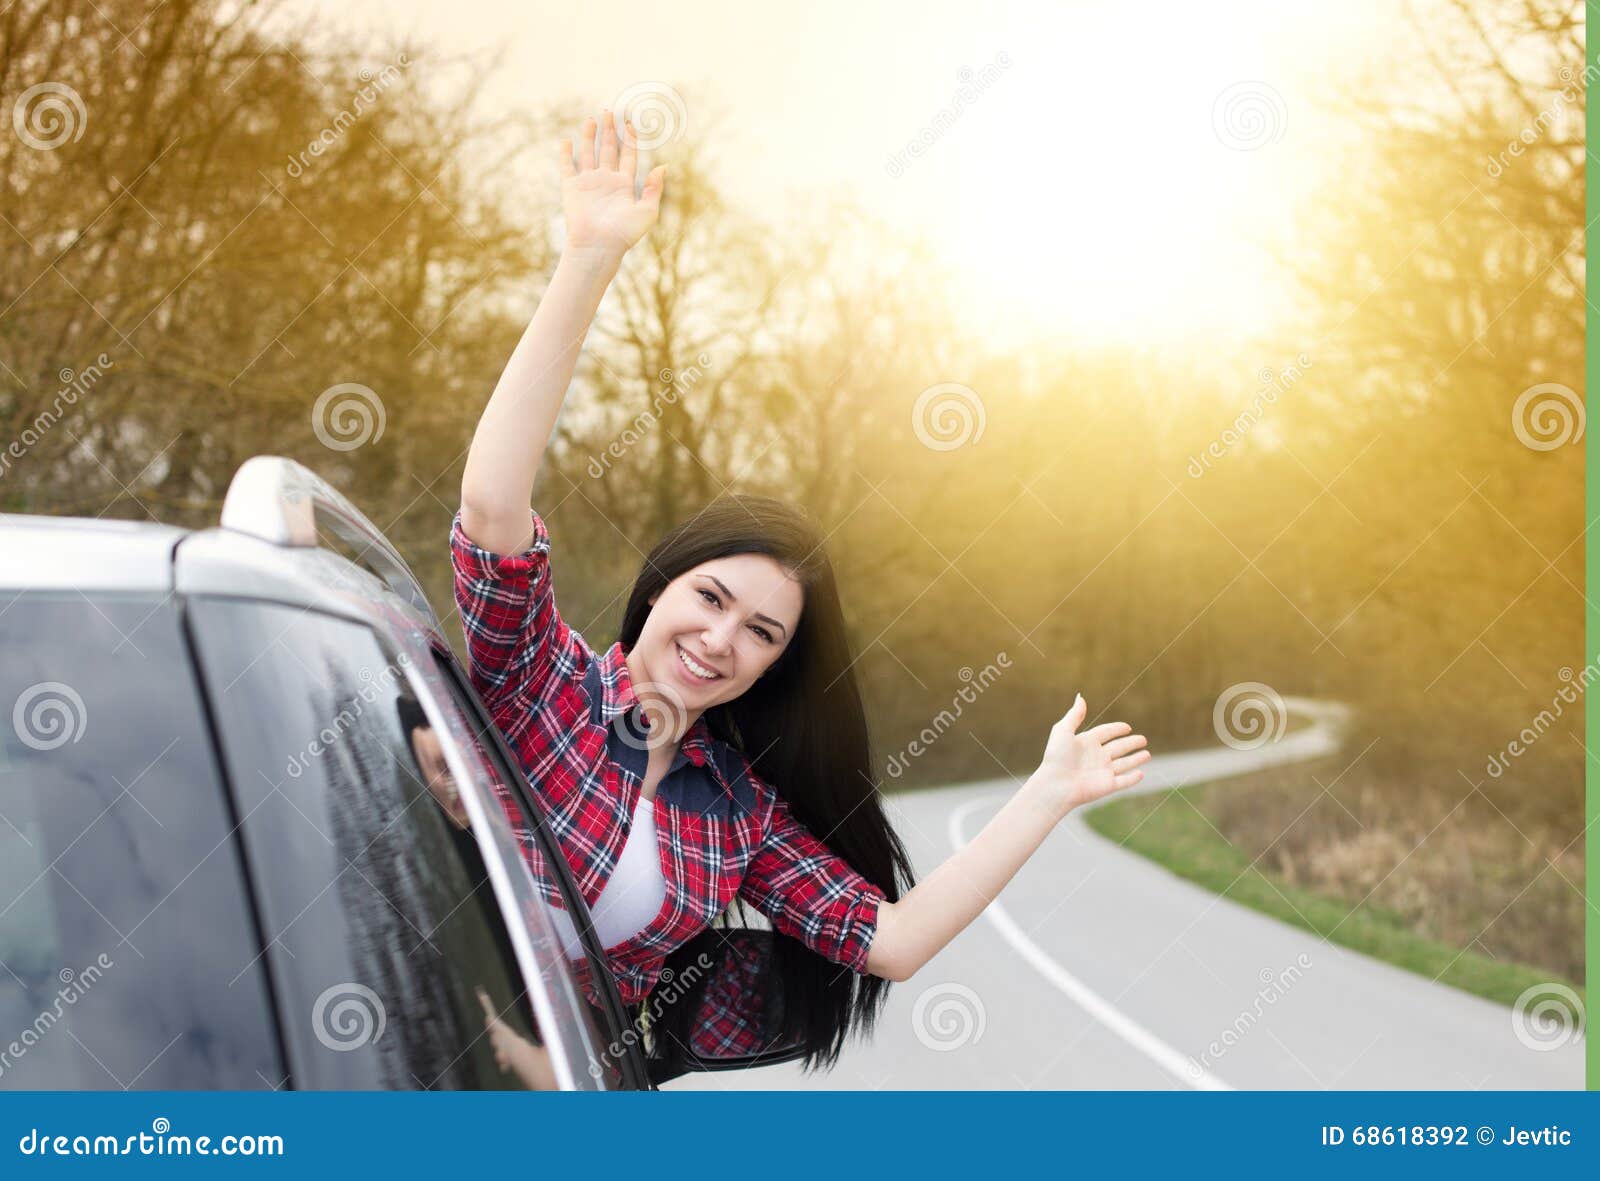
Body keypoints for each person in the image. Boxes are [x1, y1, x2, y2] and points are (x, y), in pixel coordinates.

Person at [454, 110, 1151, 1075]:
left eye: (761, 631)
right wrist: (588, 260)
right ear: (659, 587)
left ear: (775, 665)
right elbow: (493, 503)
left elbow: (893, 940)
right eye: (709, 596)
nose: (719, 638)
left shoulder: (738, 815)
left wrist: (1049, 791)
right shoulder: (538, 683)